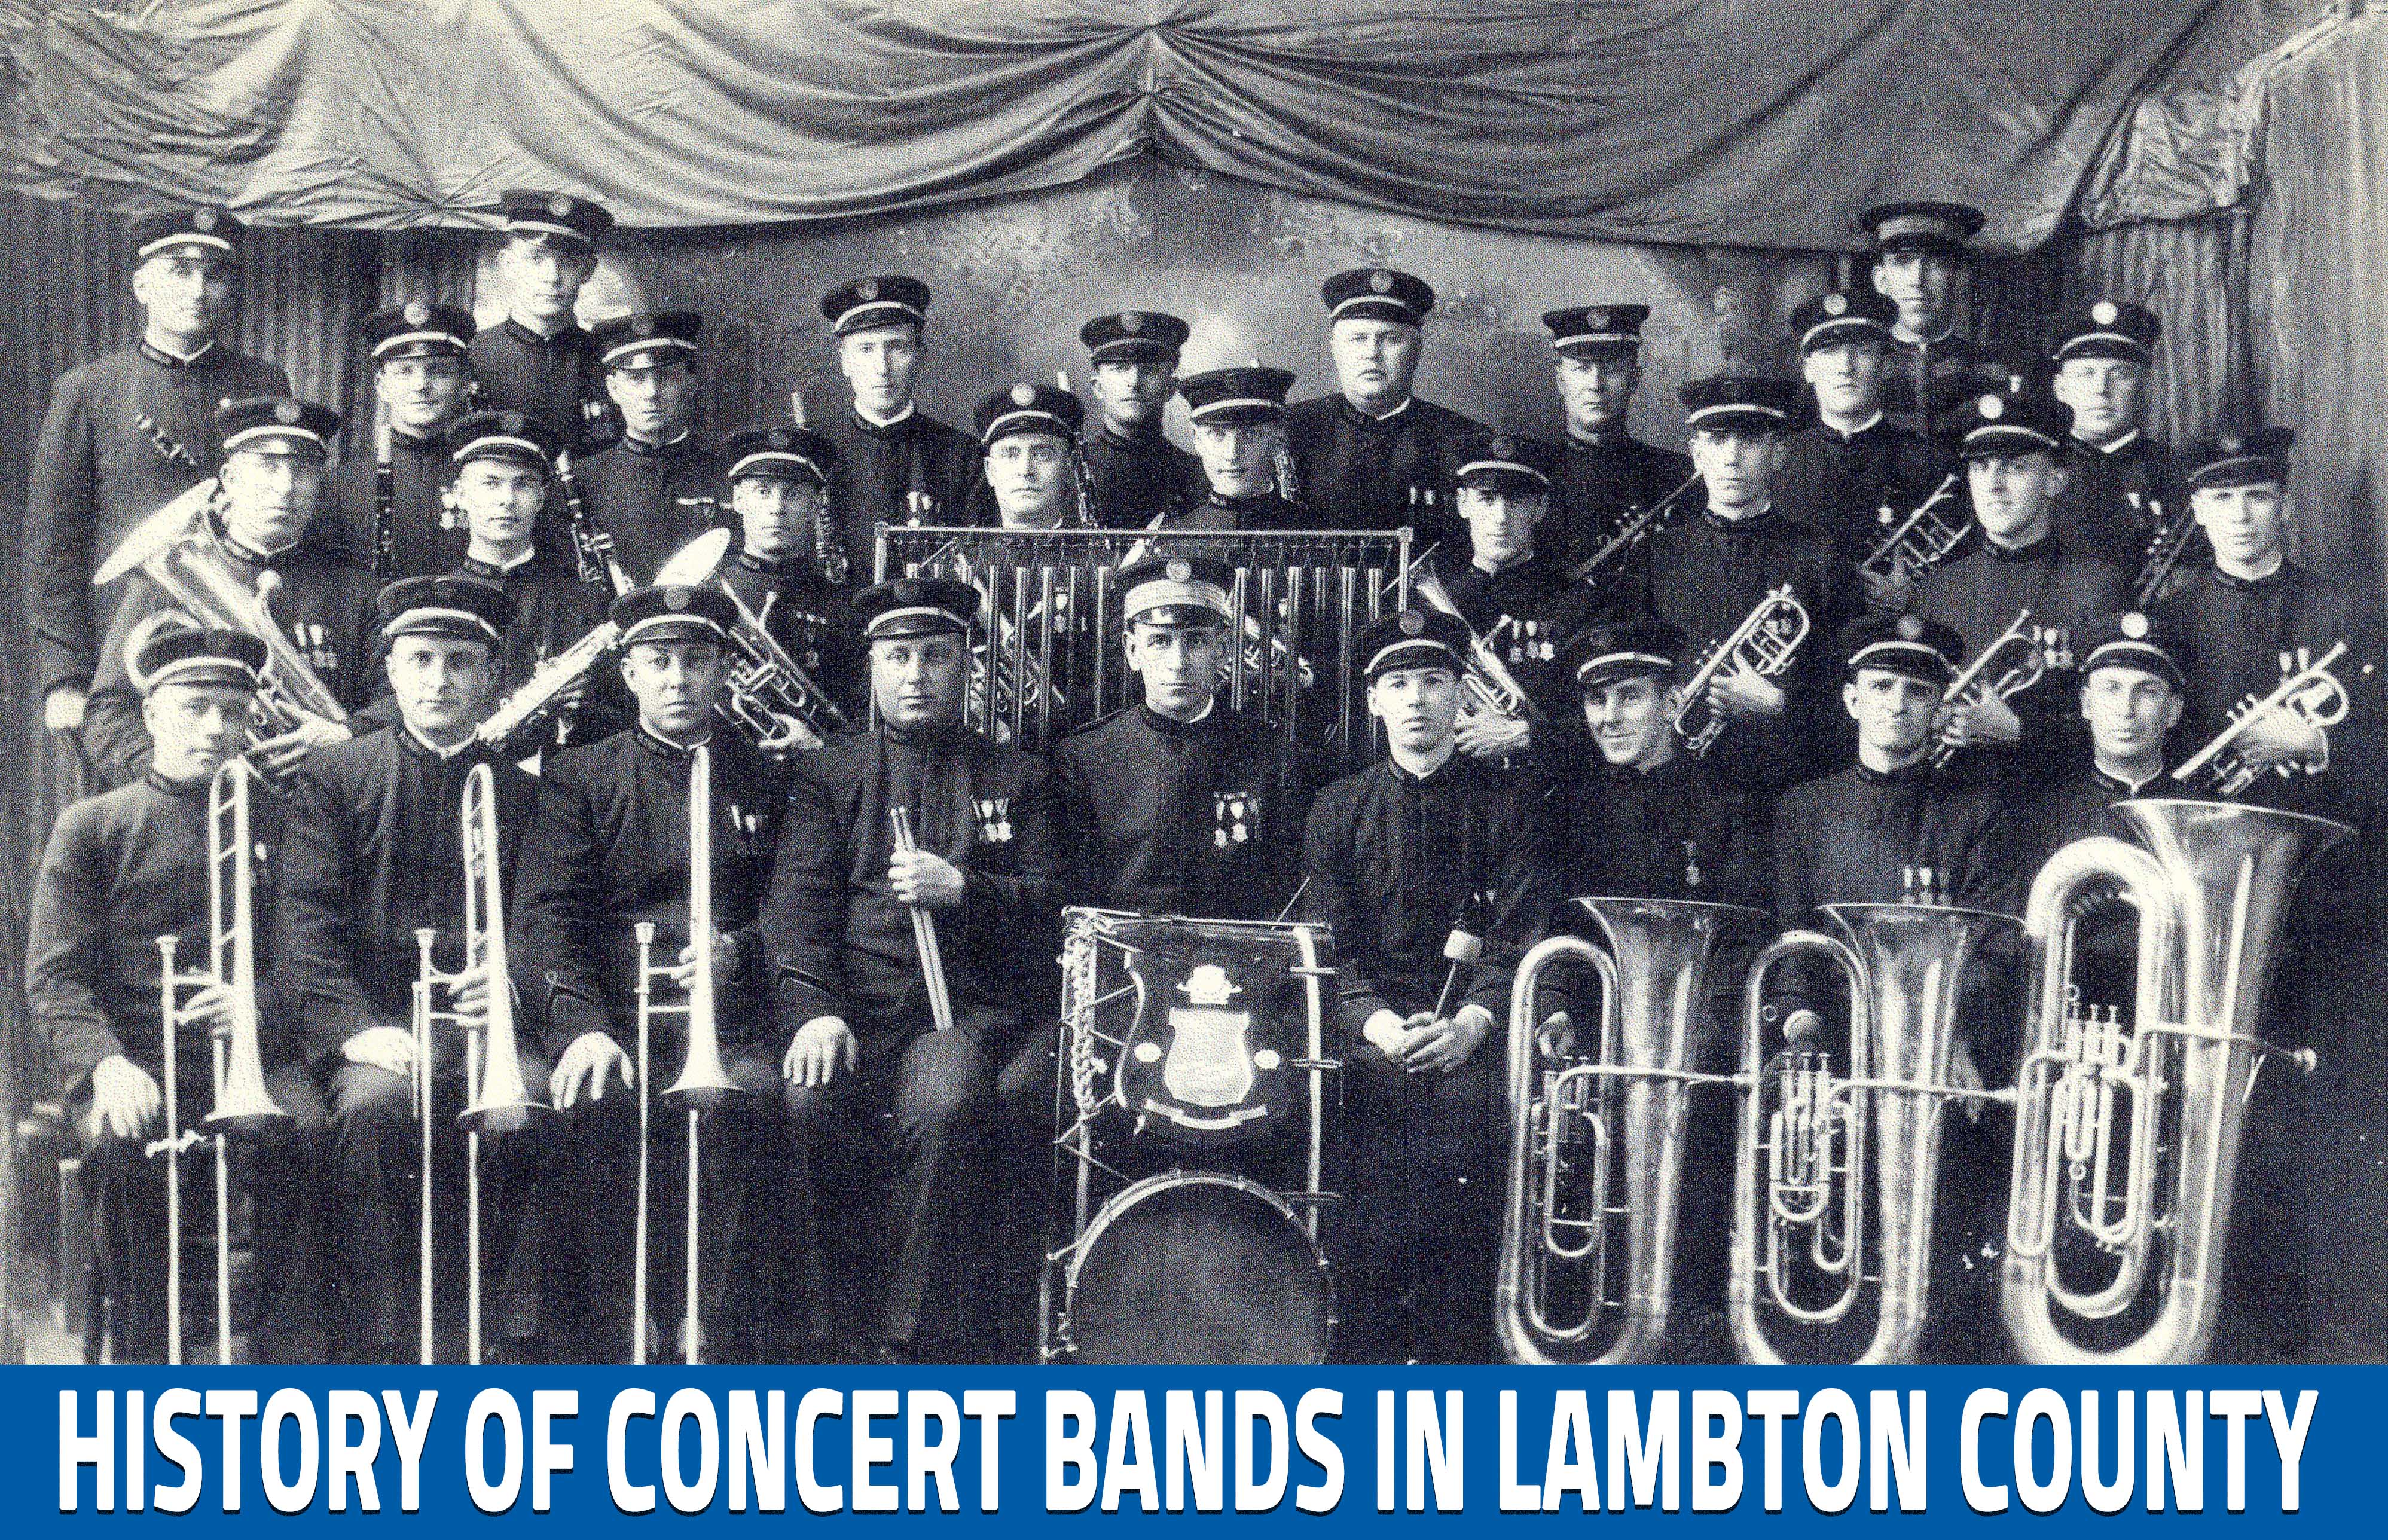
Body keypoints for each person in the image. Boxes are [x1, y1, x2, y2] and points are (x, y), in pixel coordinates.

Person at [761, 576, 1059, 1362]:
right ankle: (822, 1335)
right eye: (897, 656)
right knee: (804, 1100)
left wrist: (969, 888)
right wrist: (815, 1011)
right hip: (853, 1010)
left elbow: (1057, 907)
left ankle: (904, 1337)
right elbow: (794, 909)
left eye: (935, 654)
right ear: (871, 669)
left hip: (957, 1016)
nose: (916, 673)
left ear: (967, 664)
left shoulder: (1020, 779)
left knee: (948, 1102)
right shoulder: (830, 776)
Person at [512, 583, 799, 1361]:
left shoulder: (770, 778)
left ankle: (714, 1328)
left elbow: (790, 909)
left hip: (727, 1017)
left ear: (725, 670)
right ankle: (618, 1325)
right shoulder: (578, 777)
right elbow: (546, 919)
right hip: (617, 1015)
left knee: (752, 1100)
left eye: (696, 661)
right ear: (630, 673)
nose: (678, 680)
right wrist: (579, 1029)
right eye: (659, 662)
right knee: (596, 1102)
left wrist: (739, 949)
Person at [27, 623, 328, 1362]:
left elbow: (311, 955)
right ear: (153, 713)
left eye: (233, 709)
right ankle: (146, 1366)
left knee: (316, 1136)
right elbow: (55, 974)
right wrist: (105, 1064)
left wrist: (258, 1007)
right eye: (195, 707)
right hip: (136, 1053)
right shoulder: (92, 825)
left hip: (255, 1049)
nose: (217, 727)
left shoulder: (286, 820)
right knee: (130, 1153)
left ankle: (290, 1367)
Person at [273, 576, 548, 1362]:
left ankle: (510, 1341)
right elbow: (303, 923)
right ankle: (383, 1349)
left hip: (492, 1025)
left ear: (491, 677)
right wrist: (358, 1029)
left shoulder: (530, 794)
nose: (438, 679)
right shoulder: (335, 778)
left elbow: (545, 920)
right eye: (419, 659)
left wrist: (508, 983)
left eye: (460, 662)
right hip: (377, 1026)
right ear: (389, 671)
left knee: (530, 1102)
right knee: (376, 1109)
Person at [1765, 610, 2022, 1362]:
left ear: (1941, 707)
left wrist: (1944, 1035)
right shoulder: (1803, 810)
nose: (1896, 704)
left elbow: (1996, 944)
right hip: (1834, 1050)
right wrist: (1801, 1032)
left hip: (1938, 1051)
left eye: (1916, 690)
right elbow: (1790, 941)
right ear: (1850, 699)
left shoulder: (1978, 811)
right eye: (1879, 685)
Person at [1299, 607, 1552, 1361]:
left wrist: (1472, 1022)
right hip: (1368, 1036)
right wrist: (1376, 1021)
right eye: (1398, 683)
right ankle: (1364, 1353)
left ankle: (1456, 1357)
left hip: (1469, 1041)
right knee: (1361, 1108)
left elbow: (1517, 938)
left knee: (1468, 1116)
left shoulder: (1508, 806)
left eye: (1434, 681)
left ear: (1460, 693)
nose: (1416, 700)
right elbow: (1324, 943)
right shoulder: (1336, 808)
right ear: (1373, 699)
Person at [25, 207, 290, 748]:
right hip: (122, 651)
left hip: (236, 635)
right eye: (179, 271)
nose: (198, 289)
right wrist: (64, 676)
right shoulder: (89, 389)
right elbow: (52, 545)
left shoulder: (263, 382)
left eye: (214, 274)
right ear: (142, 284)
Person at [84, 396, 377, 787]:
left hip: (328, 806)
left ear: (318, 486)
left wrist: (346, 735)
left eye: (303, 471)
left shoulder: (358, 593)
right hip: (203, 810)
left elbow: (396, 708)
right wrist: (188, 777)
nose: (286, 487)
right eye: (267, 467)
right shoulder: (163, 584)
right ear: (230, 479)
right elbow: (107, 717)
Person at [1625, 371, 1856, 802]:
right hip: (1677, 790)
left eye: (1749, 442)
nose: (1731, 458)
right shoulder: (1656, 556)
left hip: (1788, 788)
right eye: (1716, 441)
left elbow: (1853, 697)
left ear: (1778, 455)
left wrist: (1781, 705)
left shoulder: (1821, 558)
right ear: (1696, 454)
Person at [1906, 380, 2128, 786]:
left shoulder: (2098, 587)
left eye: (2016, 467)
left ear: (2056, 481)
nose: (1993, 485)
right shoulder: (1938, 587)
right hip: (1953, 807)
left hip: (2056, 805)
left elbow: (2124, 729)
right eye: (1981, 467)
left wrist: (2019, 732)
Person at [2154, 426, 2376, 822]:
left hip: (2330, 830)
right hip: (2214, 835)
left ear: (2285, 506)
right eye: (2223, 499)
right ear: (2200, 511)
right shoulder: (2169, 619)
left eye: (2257, 496)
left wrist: (2316, 743)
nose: (2240, 516)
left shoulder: (2349, 611)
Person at [436, 409, 627, 751]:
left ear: (541, 499)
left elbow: (622, 716)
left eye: (522, 484)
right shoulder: (437, 601)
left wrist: (579, 712)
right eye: (490, 483)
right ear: (460, 495)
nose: (507, 500)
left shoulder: (584, 603)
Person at [1285, 267, 1486, 538]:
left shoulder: (1462, 442)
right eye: (1358, 338)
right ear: (1334, 347)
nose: (1372, 354)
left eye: (1391, 339)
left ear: (1417, 349)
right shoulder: (1290, 430)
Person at [810, 276, 981, 583]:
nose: (882, 367)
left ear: (920, 358)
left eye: (897, 348)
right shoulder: (814, 454)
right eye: (866, 350)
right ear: (845, 363)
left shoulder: (962, 455)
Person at [1772, 287, 1952, 570]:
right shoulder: (1777, 461)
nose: (1846, 366)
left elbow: (1953, 572)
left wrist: (1912, 600)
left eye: (1862, 352)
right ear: (1808, 370)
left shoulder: (1928, 462)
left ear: (1885, 367)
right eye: (1830, 353)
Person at [1436, 432, 1591, 756]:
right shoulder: (1437, 604)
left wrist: (1530, 734)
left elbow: (1609, 712)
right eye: (1487, 499)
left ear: (1539, 508)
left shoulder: (1578, 602)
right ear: (1464, 505)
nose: (1501, 517)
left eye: (1516, 501)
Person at [1540, 305, 1694, 582]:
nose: (1595, 384)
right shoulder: (1535, 478)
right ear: (1561, 381)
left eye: (1611, 370)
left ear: (1635, 378)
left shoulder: (1678, 476)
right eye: (1582, 369)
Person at [716, 423, 857, 722]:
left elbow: (860, 710)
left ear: (816, 505)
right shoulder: (714, 595)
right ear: (739, 500)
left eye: (792, 494)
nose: (777, 508)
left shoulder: (845, 603)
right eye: (762, 492)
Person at [570, 311, 719, 583]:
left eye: (666, 377)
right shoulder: (583, 479)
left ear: (690, 385)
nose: (651, 392)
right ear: (614, 389)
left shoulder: (724, 474)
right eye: (636, 379)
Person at [466, 190, 615, 451]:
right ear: (508, 264)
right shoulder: (474, 355)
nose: (552, 276)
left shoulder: (607, 358)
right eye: (535, 259)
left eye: (568, 262)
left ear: (588, 271)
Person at [345, 300, 480, 579]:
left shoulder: (486, 477)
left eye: (438, 370)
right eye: (405, 371)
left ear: (463, 382)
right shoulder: (345, 483)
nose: (421, 385)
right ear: (382, 386)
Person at [2046, 300, 2183, 573]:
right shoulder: (2038, 468)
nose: (2101, 389)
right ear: (2060, 388)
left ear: (2142, 386)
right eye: (2087, 374)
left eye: (2118, 374)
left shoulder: (2178, 470)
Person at [1859, 201, 1986, 441]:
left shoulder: (1988, 368)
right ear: (1881, 280)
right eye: (1902, 262)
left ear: (1959, 279)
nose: (1918, 280)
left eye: (1936, 264)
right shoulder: (1856, 367)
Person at [1076, 310, 1204, 527]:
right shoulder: (1069, 471)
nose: (1134, 382)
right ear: (1097, 387)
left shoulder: (1197, 475)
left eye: (1150, 370)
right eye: (1119, 369)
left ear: (1171, 388)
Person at [1169, 365, 1307, 531]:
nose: (1232, 454)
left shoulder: (1317, 534)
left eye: (1250, 435)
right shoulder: (1171, 538)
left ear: (1279, 441)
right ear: (1197, 441)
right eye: (1217, 434)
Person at [974, 381, 1087, 530]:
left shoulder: (1098, 553)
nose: (1025, 471)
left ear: (1068, 468)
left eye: (1043, 455)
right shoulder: (962, 553)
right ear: (990, 471)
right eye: (1010, 455)